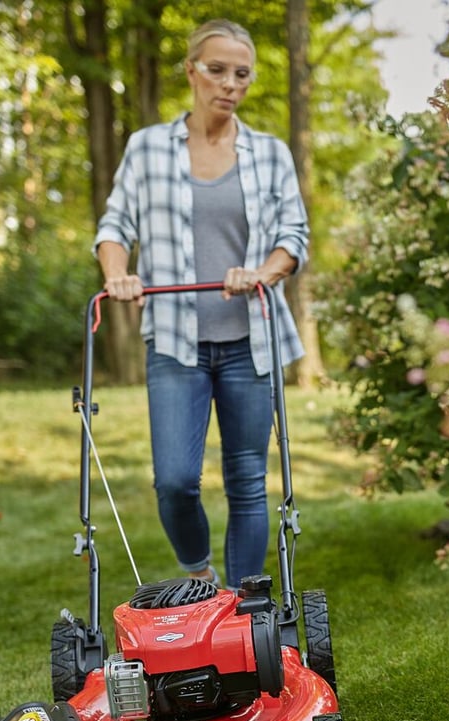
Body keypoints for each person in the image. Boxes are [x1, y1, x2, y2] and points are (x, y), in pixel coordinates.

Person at [94, 18, 309, 590]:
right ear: (191, 71)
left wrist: (262, 272)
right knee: (175, 480)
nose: (229, 83)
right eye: (216, 70)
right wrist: (118, 275)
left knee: (246, 479)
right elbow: (115, 224)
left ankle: (245, 610)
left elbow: (294, 236)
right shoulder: (147, 149)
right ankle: (200, 574)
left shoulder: (269, 154)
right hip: (174, 341)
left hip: (249, 341)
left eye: (241, 74)